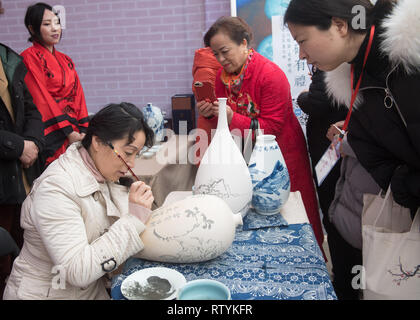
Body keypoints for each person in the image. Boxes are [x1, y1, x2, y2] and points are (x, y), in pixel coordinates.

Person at [198, 16, 325, 253]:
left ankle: (305, 260)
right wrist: (210, 114)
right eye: (216, 54)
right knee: (250, 216)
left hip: (281, 156)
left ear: (244, 43)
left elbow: (272, 128)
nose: (221, 59)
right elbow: (224, 122)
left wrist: (231, 116)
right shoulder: (220, 79)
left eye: (225, 51)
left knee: (291, 213)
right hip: (244, 155)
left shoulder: (270, 75)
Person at [3, 102, 155, 300]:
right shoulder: (56, 188)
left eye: (137, 154)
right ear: (98, 142)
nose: (132, 164)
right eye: (127, 153)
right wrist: (133, 220)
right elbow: (77, 271)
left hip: (91, 291)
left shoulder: (102, 171)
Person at [284, 0, 420, 218]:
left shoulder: (411, 57)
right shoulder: (351, 86)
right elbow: (375, 159)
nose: (301, 54)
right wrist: (405, 186)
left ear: (339, 25)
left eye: (302, 41)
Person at [0, 42, 45, 298]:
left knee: (28, 250)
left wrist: (34, 145)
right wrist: (18, 146)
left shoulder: (8, 58)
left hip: (23, 174)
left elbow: (31, 110)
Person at [21, 3, 89, 166]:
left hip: (76, 129)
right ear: (32, 28)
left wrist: (84, 129)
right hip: (56, 131)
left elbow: (78, 95)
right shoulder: (28, 58)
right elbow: (41, 99)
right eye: (47, 24)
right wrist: (68, 132)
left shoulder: (66, 60)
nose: (55, 28)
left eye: (57, 22)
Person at [325, 121, 381, 300]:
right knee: (351, 275)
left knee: (363, 277)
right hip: (354, 204)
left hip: (368, 206)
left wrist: (344, 140)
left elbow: (384, 145)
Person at [191, 47, 221, 162]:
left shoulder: (206, 61)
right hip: (212, 128)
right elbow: (209, 104)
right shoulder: (206, 69)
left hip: (213, 127)